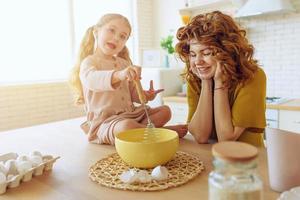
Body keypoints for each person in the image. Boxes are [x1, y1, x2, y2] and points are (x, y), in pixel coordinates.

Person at [69, 13, 187, 145]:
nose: (116, 38)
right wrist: (118, 75)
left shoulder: (124, 64)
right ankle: (163, 133)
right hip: (106, 123)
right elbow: (92, 80)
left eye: (122, 36)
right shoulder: (90, 62)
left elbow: (133, 94)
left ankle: (142, 132)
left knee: (165, 111)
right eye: (111, 30)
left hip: (132, 115)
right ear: (96, 32)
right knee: (126, 127)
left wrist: (146, 95)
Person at [175, 11, 266, 147]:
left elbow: (226, 138)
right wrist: (206, 82)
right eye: (193, 55)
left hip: (247, 159)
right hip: (211, 157)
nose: (198, 62)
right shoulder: (195, 78)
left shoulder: (253, 76)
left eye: (206, 53)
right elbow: (200, 136)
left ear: (227, 52)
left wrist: (219, 83)